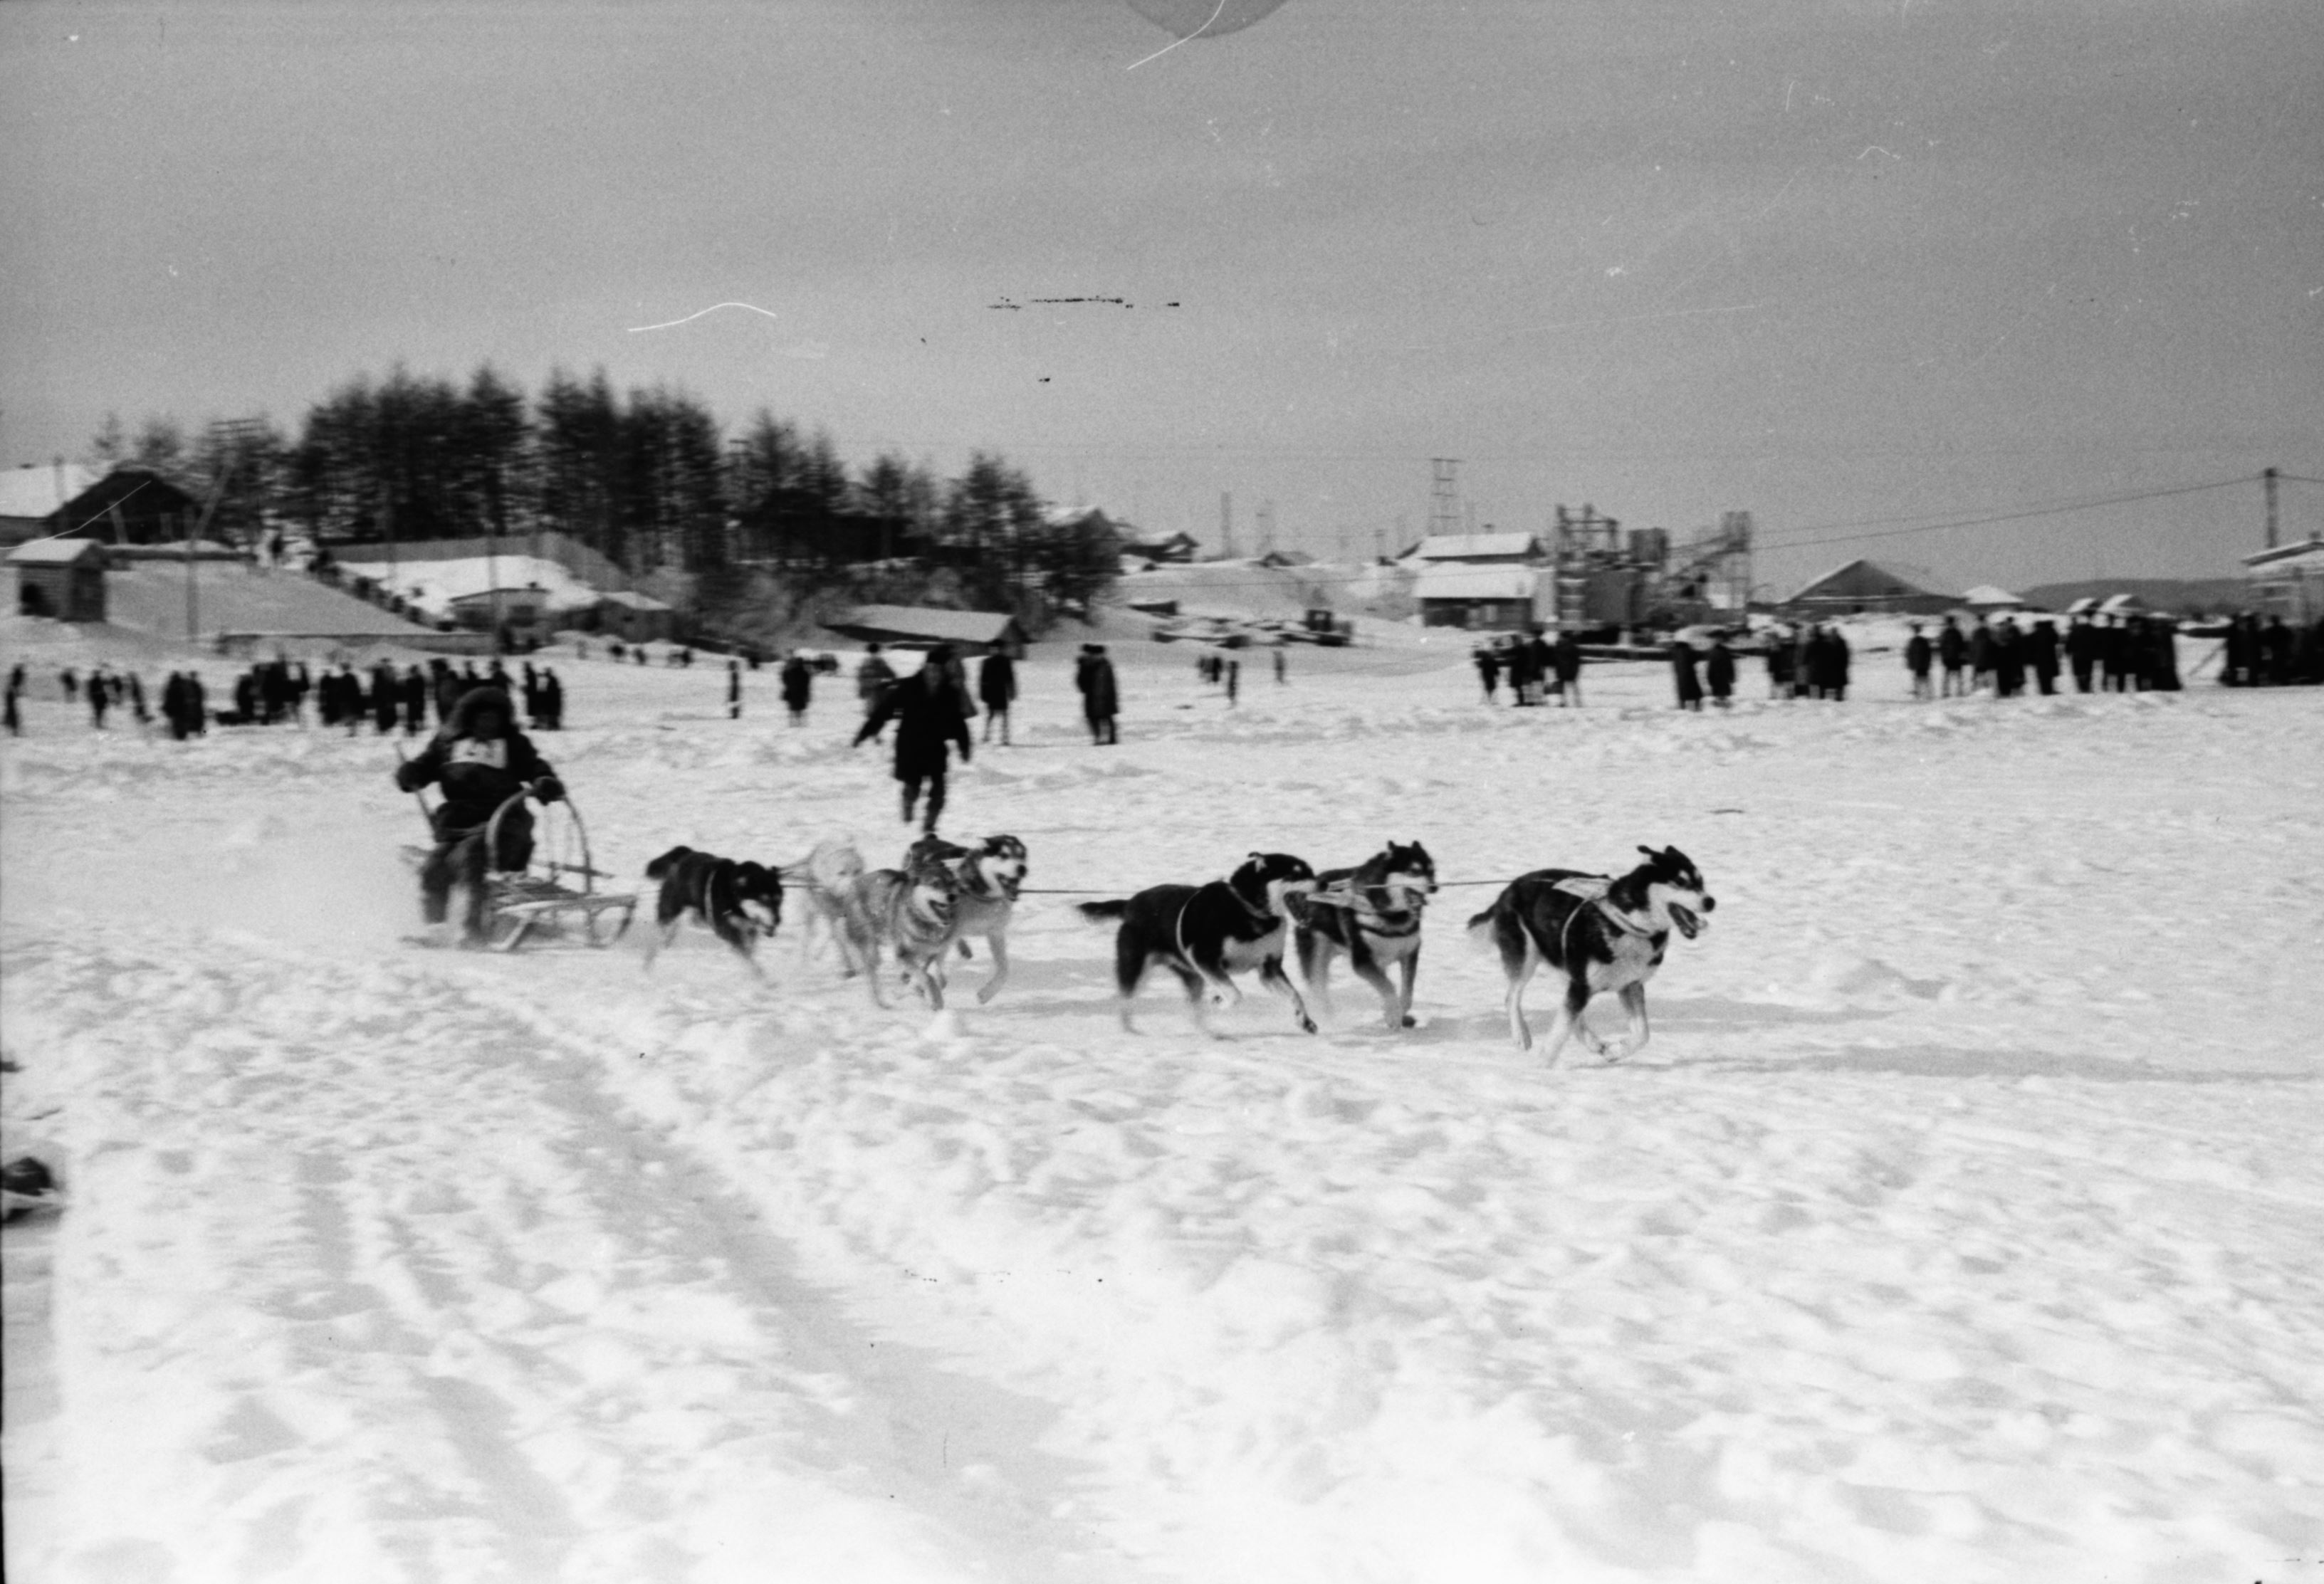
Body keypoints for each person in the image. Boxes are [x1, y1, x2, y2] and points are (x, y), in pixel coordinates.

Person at [393, 686, 564, 945]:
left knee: (472, 856)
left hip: (504, 825)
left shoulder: (514, 745)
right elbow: (425, 765)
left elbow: (534, 765)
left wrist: (545, 780)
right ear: (468, 719)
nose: (489, 725)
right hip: (457, 825)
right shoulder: (447, 744)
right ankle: (437, 929)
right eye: (483, 718)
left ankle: (471, 930)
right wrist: (411, 773)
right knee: (434, 867)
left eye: (495, 719)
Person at [853, 647, 973, 834]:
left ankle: (929, 825)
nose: (934, 674)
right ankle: (908, 802)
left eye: (938, 670)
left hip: (935, 747)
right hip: (911, 746)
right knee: (913, 786)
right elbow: (884, 711)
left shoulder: (949, 693)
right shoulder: (909, 687)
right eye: (931, 669)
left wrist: (964, 747)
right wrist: (864, 733)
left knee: (939, 791)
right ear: (925, 667)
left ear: (943, 672)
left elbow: (958, 723)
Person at [1077, 643, 1120, 744]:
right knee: (1093, 718)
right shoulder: (1087, 666)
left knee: (1106, 717)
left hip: (1105, 696)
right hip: (1092, 695)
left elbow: (1106, 682)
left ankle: (1111, 739)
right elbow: (1081, 681)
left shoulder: (1104, 665)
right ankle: (1099, 737)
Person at [856, 644, 897, 740]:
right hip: (878, 690)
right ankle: (875, 733)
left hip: (869, 690)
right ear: (878, 651)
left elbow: (860, 677)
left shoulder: (865, 662)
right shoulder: (880, 661)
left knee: (872, 713)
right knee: (878, 713)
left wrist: (861, 689)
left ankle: (873, 732)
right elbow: (891, 674)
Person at [978, 647, 1017, 744]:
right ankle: (987, 736)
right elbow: (983, 679)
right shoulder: (987, 662)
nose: (996, 651)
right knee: (991, 715)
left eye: (998, 649)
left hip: (1001, 691)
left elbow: (1010, 678)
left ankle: (1004, 738)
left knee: (1003, 715)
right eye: (994, 649)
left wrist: (1011, 692)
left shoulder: (1005, 661)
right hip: (992, 691)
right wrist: (983, 693)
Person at [1668, 637, 1703, 710]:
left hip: (1680, 675)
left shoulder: (1675, 651)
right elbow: (1696, 658)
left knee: (1683, 692)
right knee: (1696, 693)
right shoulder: (1688, 650)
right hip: (1689, 674)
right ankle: (1696, 708)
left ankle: (1682, 707)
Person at [2028, 619, 2061, 696]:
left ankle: (2044, 690)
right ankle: (2049, 689)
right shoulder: (2050, 633)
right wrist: (2053, 629)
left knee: (2041, 674)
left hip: (2038, 657)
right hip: (2049, 656)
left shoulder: (2033, 634)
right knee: (2049, 674)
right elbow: (2056, 640)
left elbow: (2030, 647)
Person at [1937, 617, 1967, 698]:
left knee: (1947, 675)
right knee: (1958, 675)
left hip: (1948, 657)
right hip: (1956, 656)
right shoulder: (1958, 632)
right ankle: (1959, 691)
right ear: (1953, 622)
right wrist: (1963, 656)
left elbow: (1942, 646)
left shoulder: (1945, 633)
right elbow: (1962, 646)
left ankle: (1946, 691)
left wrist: (1943, 657)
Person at [1552, 629, 1583, 706]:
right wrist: (1576, 671)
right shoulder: (1573, 647)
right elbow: (1577, 661)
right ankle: (1577, 702)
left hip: (1561, 670)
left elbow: (1555, 659)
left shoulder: (1558, 647)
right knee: (1574, 687)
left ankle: (1562, 702)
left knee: (1561, 688)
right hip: (1571, 670)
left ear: (1562, 637)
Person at [780, 651, 813, 725]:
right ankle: (800, 722)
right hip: (801, 692)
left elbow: (784, 680)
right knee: (800, 708)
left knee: (792, 707)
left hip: (791, 691)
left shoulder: (790, 672)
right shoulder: (805, 673)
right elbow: (807, 683)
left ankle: (792, 721)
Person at [1905, 624, 1934, 701]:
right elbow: (1928, 653)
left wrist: (1910, 663)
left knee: (1918, 680)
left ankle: (1919, 695)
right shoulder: (1923, 641)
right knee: (1925, 679)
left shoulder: (1913, 641)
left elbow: (1909, 654)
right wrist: (1929, 662)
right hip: (1923, 663)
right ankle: (1928, 694)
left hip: (1918, 664)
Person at [1705, 636, 1735, 708]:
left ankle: (1720, 707)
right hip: (1724, 676)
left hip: (1716, 677)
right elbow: (1730, 665)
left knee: (1718, 694)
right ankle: (1724, 707)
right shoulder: (1725, 651)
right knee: (1723, 694)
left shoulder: (1712, 651)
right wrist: (1732, 676)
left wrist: (1709, 678)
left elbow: (1710, 666)